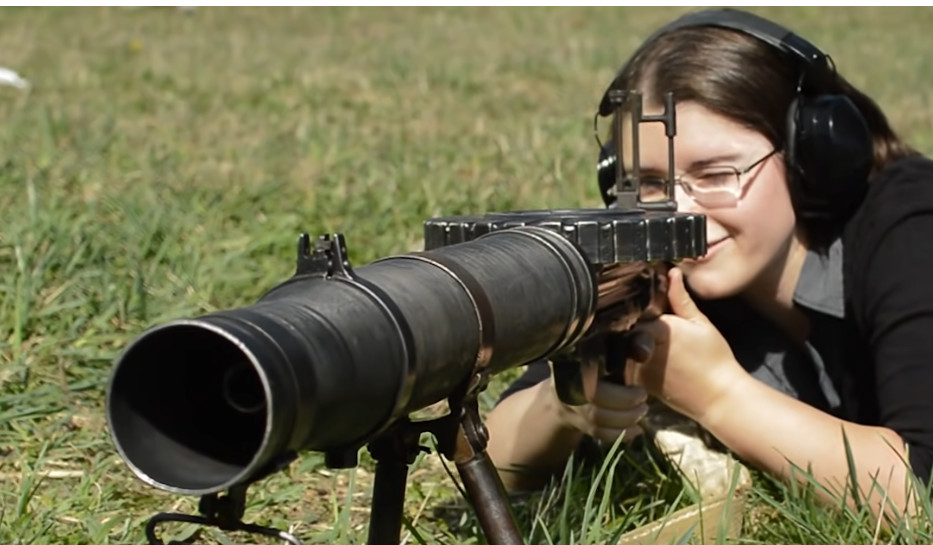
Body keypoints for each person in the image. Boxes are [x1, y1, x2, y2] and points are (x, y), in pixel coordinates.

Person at [484, 7, 933, 522]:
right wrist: (565, 404)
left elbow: (919, 494)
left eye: (716, 174)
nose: (680, 212)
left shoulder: (911, 226)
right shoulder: (657, 266)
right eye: (650, 184)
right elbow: (492, 460)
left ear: (810, 157)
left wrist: (717, 394)